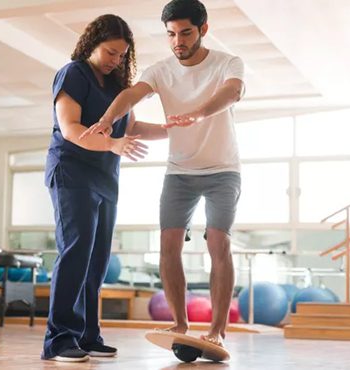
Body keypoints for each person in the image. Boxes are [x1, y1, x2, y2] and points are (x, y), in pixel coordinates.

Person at [81, 0, 245, 347]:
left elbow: (233, 92)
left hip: (222, 170)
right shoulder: (160, 70)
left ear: (203, 29)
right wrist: (108, 119)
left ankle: (216, 330)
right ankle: (179, 324)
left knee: (218, 242)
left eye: (185, 33)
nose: (177, 41)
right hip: (180, 171)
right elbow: (131, 94)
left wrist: (200, 113)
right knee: (168, 244)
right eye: (171, 34)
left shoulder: (227, 62)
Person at [41, 14, 166, 362]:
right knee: (76, 252)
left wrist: (173, 129)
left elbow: (133, 125)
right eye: (111, 52)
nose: (116, 60)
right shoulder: (73, 73)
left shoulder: (115, 85)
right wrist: (112, 145)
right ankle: (60, 338)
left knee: (97, 261)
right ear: (92, 44)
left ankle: (87, 334)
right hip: (72, 171)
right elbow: (70, 128)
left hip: (105, 179)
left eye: (122, 55)